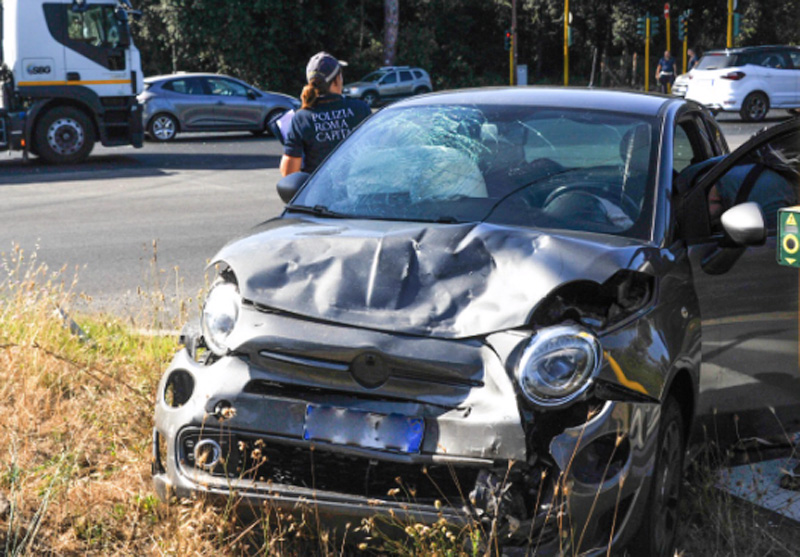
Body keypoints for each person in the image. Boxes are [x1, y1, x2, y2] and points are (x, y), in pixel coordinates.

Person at [280, 52, 371, 176]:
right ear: (336, 80)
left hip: (318, 193)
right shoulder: (360, 109)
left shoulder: (302, 118)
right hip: (356, 190)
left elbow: (289, 173)